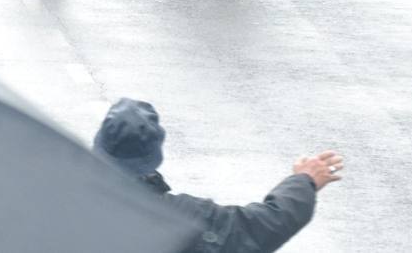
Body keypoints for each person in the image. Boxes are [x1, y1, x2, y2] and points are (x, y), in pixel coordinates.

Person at [92, 98, 339, 250]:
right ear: (154, 153)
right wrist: (303, 180)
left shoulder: (61, 198)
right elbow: (261, 226)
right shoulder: (182, 217)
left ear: (99, 145)